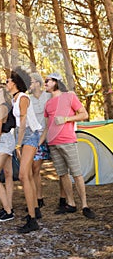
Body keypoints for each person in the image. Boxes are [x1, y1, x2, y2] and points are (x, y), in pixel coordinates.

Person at [40, 72, 95, 219]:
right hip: (53, 144)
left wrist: (66, 119)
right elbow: (47, 127)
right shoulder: (48, 104)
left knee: (76, 174)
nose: (44, 83)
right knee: (63, 174)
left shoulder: (69, 97)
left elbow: (84, 114)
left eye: (47, 80)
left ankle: (85, 205)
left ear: (56, 82)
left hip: (68, 141)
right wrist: (39, 144)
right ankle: (71, 204)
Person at [6, 67, 42, 233]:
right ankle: (34, 210)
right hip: (22, 136)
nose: (6, 83)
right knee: (26, 175)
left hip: (29, 136)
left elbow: (22, 123)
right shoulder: (15, 99)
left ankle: (33, 220)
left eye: (8, 81)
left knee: (22, 175)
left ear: (14, 83)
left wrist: (18, 144)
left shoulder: (23, 97)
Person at [30, 73, 67, 211]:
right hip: (38, 137)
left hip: (54, 135)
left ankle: (63, 199)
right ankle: (39, 199)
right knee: (35, 168)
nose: (30, 85)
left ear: (39, 84)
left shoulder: (49, 95)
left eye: (32, 82)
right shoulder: (28, 99)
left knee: (61, 169)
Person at [0, 82, 16, 222]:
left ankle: (8, 211)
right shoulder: (7, 106)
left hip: (3, 141)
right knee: (8, 175)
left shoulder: (1, 108)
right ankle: (8, 206)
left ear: (1, 90)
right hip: (8, 139)